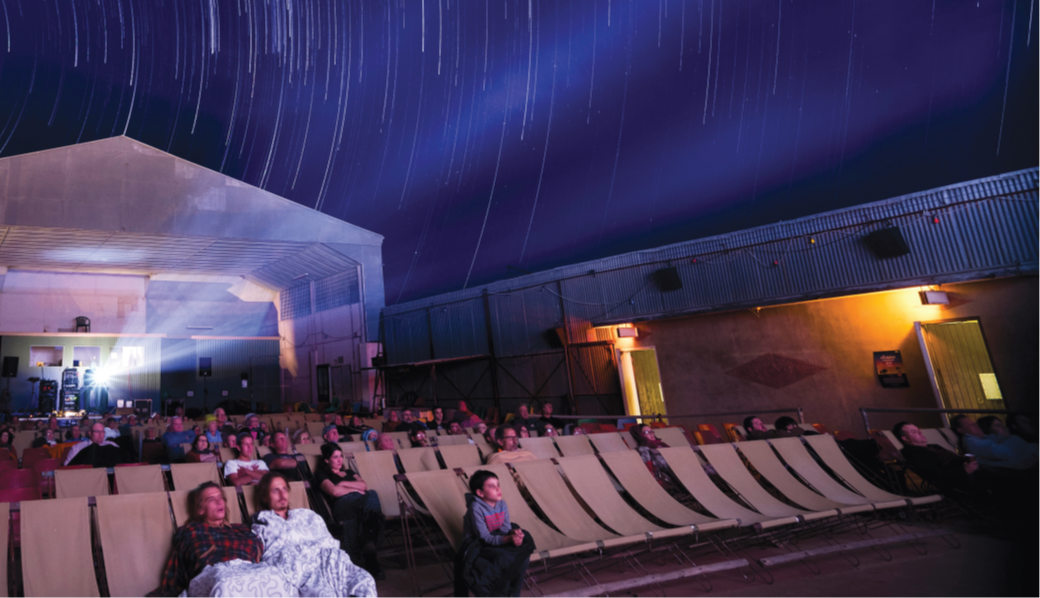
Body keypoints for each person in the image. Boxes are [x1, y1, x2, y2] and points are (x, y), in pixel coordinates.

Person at [148, 482, 291, 598]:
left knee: (277, 578)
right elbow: (181, 564)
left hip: (249, 571)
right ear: (200, 509)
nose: (219, 502)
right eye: (211, 499)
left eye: (220, 497)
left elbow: (260, 552)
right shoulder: (191, 531)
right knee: (226, 584)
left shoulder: (242, 529)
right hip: (212, 575)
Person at [251, 472, 378, 596]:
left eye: (284, 489)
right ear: (264, 497)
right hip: (300, 568)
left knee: (365, 581)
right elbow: (268, 553)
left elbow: (327, 539)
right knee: (324, 594)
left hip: (329, 561)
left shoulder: (306, 514)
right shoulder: (263, 523)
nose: (282, 494)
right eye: (275, 490)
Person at [455, 470, 534, 598]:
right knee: (502, 559)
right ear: (480, 493)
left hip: (496, 538)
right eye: (492, 486)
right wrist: (508, 539)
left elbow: (505, 529)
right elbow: (484, 537)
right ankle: (499, 594)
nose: (498, 489)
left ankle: (514, 593)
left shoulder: (502, 504)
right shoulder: (475, 508)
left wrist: (514, 535)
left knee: (523, 554)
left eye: (498, 485)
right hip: (476, 544)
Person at [313, 443, 386, 578]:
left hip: (360, 506)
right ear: (327, 460)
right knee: (371, 503)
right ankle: (371, 551)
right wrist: (355, 490)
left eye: (341, 456)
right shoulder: (322, 474)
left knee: (372, 494)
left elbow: (364, 485)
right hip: (342, 506)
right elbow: (334, 492)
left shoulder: (350, 472)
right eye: (335, 457)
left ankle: (369, 546)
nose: (340, 460)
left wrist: (343, 484)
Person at [894, 421, 978, 495]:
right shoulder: (914, 453)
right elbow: (938, 475)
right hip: (962, 480)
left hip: (972, 470)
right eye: (914, 432)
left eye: (918, 430)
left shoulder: (933, 446)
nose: (920, 433)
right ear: (905, 438)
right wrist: (965, 470)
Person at [952, 414, 1040, 471]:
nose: (974, 424)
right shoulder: (971, 442)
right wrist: (1014, 439)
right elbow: (1005, 452)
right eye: (969, 424)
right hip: (1023, 465)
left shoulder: (984, 438)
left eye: (973, 422)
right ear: (961, 430)